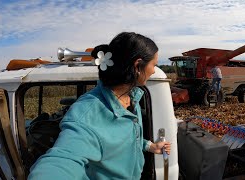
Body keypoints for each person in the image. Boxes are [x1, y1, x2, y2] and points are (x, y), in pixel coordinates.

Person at [28, 32, 171, 180]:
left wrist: (150, 146)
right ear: (137, 66)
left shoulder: (132, 97)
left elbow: (126, 139)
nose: (154, 70)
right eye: (153, 64)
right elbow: (61, 161)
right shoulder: (86, 112)